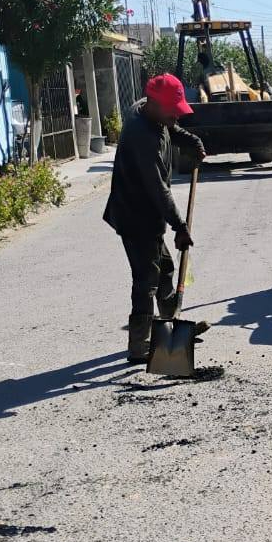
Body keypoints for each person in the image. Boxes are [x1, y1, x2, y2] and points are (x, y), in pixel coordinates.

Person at [103, 73, 207, 364]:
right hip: (135, 214)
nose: (176, 113)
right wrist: (180, 226)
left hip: (147, 210)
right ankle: (140, 346)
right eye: (171, 108)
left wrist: (191, 140)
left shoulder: (149, 112)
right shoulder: (141, 136)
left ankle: (171, 329)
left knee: (165, 269)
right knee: (146, 279)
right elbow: (157, 188)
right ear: (154, 104)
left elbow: (170, 127)